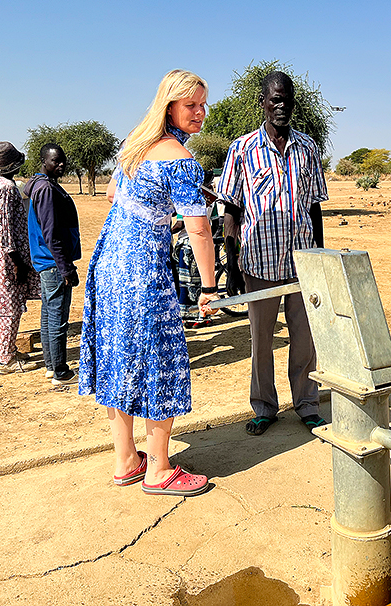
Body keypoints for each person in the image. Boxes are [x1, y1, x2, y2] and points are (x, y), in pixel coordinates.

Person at [79, 69, 218, 496]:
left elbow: (111, 197)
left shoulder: (133, 147)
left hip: (110, 263)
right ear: (170, 105)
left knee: (117, 358)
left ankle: (125, 461)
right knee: (160, 360)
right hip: (143, 269)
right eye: (191, 104)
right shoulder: (180, 159)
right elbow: (199, 230)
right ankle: (159, 469)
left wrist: (158, 213)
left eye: (202, 104)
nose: (199, 112)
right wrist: (209, 289)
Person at [216, 71, 328, 435]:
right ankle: (264, 407)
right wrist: (231, 268)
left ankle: (307, 404)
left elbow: (314, 208)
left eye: (288, 100)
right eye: (275, 100)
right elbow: (230, 211)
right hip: (258, 263)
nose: (282, 107)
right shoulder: (243, 148)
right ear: (262, 102)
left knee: (305, 339)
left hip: (301, 263)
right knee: (261, 341)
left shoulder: (308, 148)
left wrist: (320, 259)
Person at [0, 142, 40, 375]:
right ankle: (6, 361)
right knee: (10, 308)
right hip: (8, 258)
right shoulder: (6, 188)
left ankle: (5, 350)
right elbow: (6, 230)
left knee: (0, 305)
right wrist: (16, 262)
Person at [25, 144, 81, 386]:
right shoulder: (46, 189)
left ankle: (51, 366)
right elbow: (51, 232)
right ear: (43, 161)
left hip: (47, 262)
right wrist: (66, 267)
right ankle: (60, 371)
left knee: (49, 315)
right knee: (58, 317)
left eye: (63, 161)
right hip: (53, 262)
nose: (61, 165)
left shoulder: (42, 185)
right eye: (56, 161)